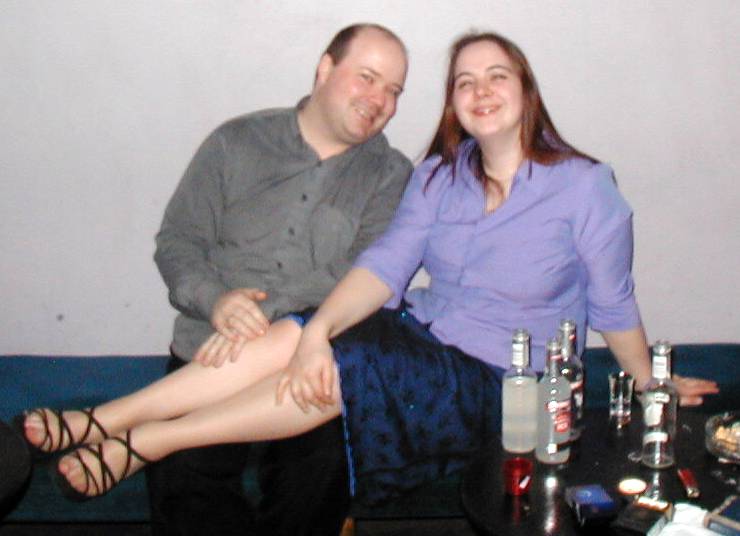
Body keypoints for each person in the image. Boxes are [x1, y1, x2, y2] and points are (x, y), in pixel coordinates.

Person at [20, 30, 718, 510]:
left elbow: (614, 303)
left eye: (496, 76)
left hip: (503, 382)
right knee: (312, 333)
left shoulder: (585, 187)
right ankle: (101, 420)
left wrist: (650, 382)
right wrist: (317, 329)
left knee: (350, 361)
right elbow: (385, 265)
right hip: (424, 339)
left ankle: (145, 441)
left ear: (525, 91)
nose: (479, 90)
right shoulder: (438, 176)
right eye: (464, 81)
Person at [33, 23, 410, 536]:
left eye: (393, 90)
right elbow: (178, 240)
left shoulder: (390, 174)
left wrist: (268, 313)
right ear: (325, 69)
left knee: (322, 476)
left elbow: (365, 274)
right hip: (210, 353)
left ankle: (110, 423)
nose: (380, 100)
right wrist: (217, 302)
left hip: (306, 362)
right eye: (367, 77)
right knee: (183, 482)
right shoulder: (237, 142)